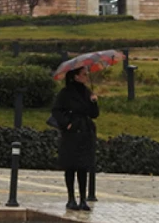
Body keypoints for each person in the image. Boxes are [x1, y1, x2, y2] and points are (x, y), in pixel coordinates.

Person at [51, 66, 99, 211]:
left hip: (85, 132)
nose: (86, 76)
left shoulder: (87, 92)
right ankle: (71, 198)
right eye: (84, 74)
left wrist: (94, 102)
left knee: (83, 167)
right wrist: (67, 124)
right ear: (76, 76)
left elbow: (94, 114)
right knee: (71, 166)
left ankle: (83, 199)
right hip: (72, 133)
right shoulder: (65, 93)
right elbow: (56, 111)